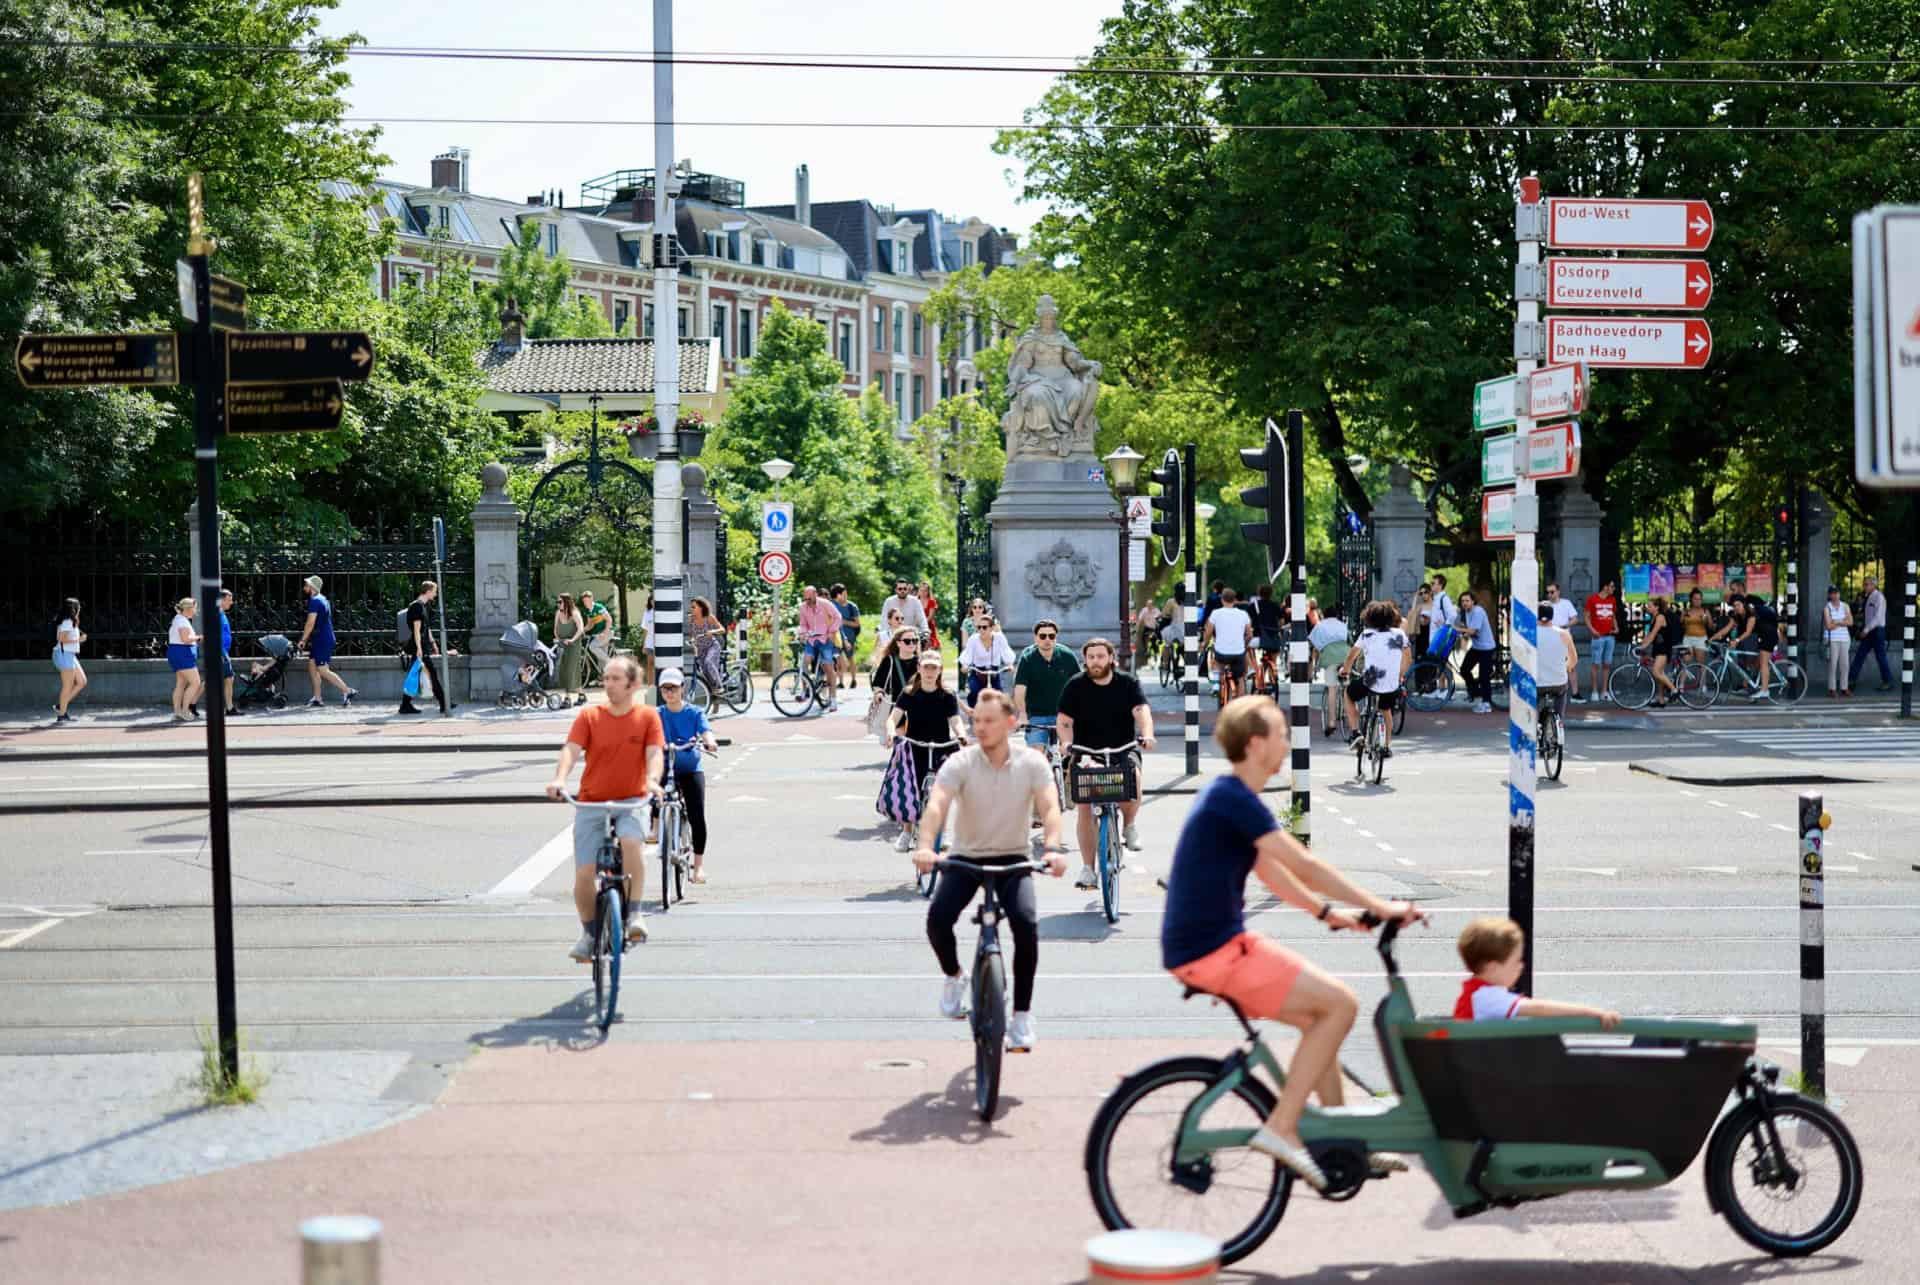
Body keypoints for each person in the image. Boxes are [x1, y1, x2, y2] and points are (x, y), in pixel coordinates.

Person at [1162, 695, 1426, 1189]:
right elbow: (1304, 864)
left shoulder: (1231, 797)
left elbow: (1274, 875)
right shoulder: (1234, 799)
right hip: (1215, 949)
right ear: (1257, 743)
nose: (1288, 740)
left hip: (1204, 946)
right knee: (1340, 1005)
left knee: (1316, 1017)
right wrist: (1383, 906)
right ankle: (1282, 1126)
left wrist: (1329, 914)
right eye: (1282, 732)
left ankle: (1340, 1139)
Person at [913, 689, 1068, 1049]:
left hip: (1014, 858)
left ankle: (1022, 1017)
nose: (980, 727)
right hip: (967, 857)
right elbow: (937, 804)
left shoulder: (1032, 763)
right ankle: (955, 976)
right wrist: (925, 846)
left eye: (989, 721)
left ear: (1010, 723)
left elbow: (1049, 808)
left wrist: (1053, 848)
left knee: (1027, 925)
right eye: (976, 721)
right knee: (937, 918)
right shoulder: (961, 762)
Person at [545, 654, 665, 958]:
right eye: (606, 678)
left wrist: (652, 781)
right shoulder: (589, 716)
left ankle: (634, 914)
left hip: (632, 799)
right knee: (585, 873)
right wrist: (559, 779)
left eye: (615, 679)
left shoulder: (647, 717)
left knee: (631, 843)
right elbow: (571, 750)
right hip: (591, 801)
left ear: (632, 684)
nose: (607, 684)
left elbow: (655, 754)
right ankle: (588, 933)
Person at [1056, 637, 1156, 887]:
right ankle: (1088, 869)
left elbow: (1141, 711)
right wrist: (1066, 743)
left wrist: (1147, 734)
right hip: (1087, 750)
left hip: (1122, 747)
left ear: (1111, 658)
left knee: (1132, 778)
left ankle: (1129, 826)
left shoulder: (1127, 683)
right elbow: (1065, 720)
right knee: (1085, 808)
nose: (1095, 662)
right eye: (1091, 657)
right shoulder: (1075, 686)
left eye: (1100, 656)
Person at [1455, 917, 1619, 1027]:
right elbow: (1540, 1008)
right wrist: (1594, 1013)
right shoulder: (1488, 997)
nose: (1521, 966)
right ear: (1493, 967)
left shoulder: (1475, 994)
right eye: (1516, 961)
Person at [887, 651, 968, 852]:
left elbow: (955, 719)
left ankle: (943, 831)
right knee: (911, 790)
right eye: (926, 667)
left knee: (943, 791)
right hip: (915, 745)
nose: (930, 671)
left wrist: (961, 734)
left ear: (940, 670)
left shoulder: (947, 694)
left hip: (941, 746)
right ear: (919, 668)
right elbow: (893, 718)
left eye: (934, 667)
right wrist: (891, 733)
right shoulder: (909, 693)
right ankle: (906, 832)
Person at [656, 667, 719, 884]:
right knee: (649, 786)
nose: (669, 692)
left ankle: (698, 867)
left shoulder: (694, 712)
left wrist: (709, 741)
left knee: (697, 816)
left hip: (690, 768)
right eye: (665, 688)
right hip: (665, 766)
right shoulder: (657, 714)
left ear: (682, 688)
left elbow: (705, 730)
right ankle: (656, 827)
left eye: (673, 687)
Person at [1337, 600, 1412, 755]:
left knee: (1349, 695)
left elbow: (1352, 655)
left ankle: (1356, 732)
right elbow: (1408, 659)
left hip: (1371, 680)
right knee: (1386, 711)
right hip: (1392, 683)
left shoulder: (1367, 634)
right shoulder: (1399, 634)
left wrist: (1345, 670)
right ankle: (1386, 746)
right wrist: (1400, 676)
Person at [1013, 618, 1080, 750]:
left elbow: (1080, 685)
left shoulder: (1067, 656)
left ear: (1056, 638)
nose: (1047, 639)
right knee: (1037, 753)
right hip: (1037, 716)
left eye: (1051, 636)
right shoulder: (1027, 658)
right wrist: (1022, 714)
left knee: (1069, 753)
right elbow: (1020, 689)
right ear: (1036, 638)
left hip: (1064, 715)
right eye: (1043, 636)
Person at [296, 575, 356, 708]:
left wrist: (303, 640)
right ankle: (317, 698)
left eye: (306, 585)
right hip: (321, 639)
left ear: (312, 587)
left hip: (323, 640)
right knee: (312, 665)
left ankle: (347, 691)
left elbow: (310, 623)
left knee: (322, 669)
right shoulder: (322, 599)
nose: (304, 587)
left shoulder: (315, 601)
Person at [399, 580, 448, 716]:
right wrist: (419, 648)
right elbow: (416, 630)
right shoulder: (416, 607)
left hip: (422, 646)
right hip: (418, 647)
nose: (435, 594)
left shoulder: (425, 606)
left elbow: (426, 628)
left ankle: (405, 705)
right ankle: (444, 703)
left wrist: (433, 643)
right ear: (427, 591)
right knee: (431, 674)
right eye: (434, 591)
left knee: (414, 675)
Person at [796, 584, 845, 712]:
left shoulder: (825, 604)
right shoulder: (802, 607)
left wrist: (832, 631)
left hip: (825, 639)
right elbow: (803, 624)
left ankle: (833, 699)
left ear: (815, 594)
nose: (807, 601)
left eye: (809, 598)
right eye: (805, 599)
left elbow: (838, 617)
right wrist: (802, 633)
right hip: (811, 639)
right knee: (804, 662)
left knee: (828, 667)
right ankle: (805, 690)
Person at [1202, 587, 1254, 705]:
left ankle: (1216, 685)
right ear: (1234, 600)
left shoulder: (1215, 613)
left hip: (1222, 653)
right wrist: (1243, 645)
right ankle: (1241, 705)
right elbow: (1250, 635)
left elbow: (1209, 632)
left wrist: (1204, 644)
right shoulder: (1243, 614)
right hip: (1238, 653)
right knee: (1240, 678)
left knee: (1217, 664)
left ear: (1222, 600)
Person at [959, 614, 1017, 707]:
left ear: (992, 628)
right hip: (978, 670)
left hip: (994, 670)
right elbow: (968, 653)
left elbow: (1006, 651)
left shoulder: (999, 638)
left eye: (984, 627)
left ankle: (999, 715)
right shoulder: (973, 639)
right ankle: (974, 713)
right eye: (979, 627)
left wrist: (1010, 664)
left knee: (999, 693)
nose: (981, 630)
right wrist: (965, 665)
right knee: (974, 690)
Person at [1307, 609, 1349, 736]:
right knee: (1347, 687)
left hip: (1330, 656)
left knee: (1332, 689)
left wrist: (1314, 665)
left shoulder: (1320, 626)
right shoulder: (1342, 625)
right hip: (1346, 654)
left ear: (1324, 616)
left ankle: (1331, 723)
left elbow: (1312, 643)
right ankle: (1349, 715)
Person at [1536, 598, 1574, 732]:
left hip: (1538, 683)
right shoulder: (1564, 634)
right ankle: (1559, 722)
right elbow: (1573, 659)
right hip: (1558, 682)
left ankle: (1534, 724)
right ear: (1553, 615)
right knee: (1562, 692)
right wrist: (1565, 667)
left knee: (1532, 700)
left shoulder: (1531, 634)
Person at [1849, 576, 1894, 691]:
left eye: (1867, 584)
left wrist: (1866, 630)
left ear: (1874, 585)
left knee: (1880, 657)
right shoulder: (1867, 597)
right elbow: (1867, 614)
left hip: (1877, 631)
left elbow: (1878, 617)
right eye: (1864, 584)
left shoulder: (1879, 597)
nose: (1865, 586)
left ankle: (1888, 681)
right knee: (1860, 655)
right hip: (1869, 631)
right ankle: (1850, 680)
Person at [1456, 590, 1497, 713]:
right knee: (1464, 669)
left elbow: (1473, 631)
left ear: (1473, 601)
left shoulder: (1478, 611)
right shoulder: (1465, 612)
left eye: (1467, 601)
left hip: (1486, 648)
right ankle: (1474, 692)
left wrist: (1457, 629)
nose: (1465, 603)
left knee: (1484, 677)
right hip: (1476, 647)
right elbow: (1456, 622)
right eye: (1462, 601)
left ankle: (1487, 703)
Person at [166, 596, 203, 721]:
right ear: (188, 608)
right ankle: (184, 711)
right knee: (196, 683)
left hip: (178, 653)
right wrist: (199, 637)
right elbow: (186, 639)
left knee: (181, 684)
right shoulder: (182, 621)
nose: (195, 611)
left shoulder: (178, 619)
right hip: (183, 654)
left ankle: (177, 711)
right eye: (194, 608)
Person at [1584, 579, 1622, 701]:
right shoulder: (1592, 599)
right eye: (1612, 586)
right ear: (1605, 587)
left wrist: (1616, 627)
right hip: (1598, 636)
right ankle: (1594, 691)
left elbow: (1613, 615)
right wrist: (1592, 630)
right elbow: (1586, 617)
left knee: (1607, 664)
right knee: (1596, 664)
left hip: (1610, 635)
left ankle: (1604, 691)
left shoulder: (1612, 600)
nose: (1613, 588)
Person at [1543, 583, 1582, 702]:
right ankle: (1549, 693)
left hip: (1564, 639)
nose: (1550, 595)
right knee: (1549, 666)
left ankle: (1575, 693)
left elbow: (1575, 619)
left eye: (1552, 592)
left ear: (1558, 592)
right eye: (1548, 592)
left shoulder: (1566, 603)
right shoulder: (1545, 605)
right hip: (1549, 639)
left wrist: (1564, 625)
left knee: (1571, 666)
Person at [52, 597, 87, 722]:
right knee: (68, 685)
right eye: (78, 606)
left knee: (82, 681)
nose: (80, 609)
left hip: (69, 654)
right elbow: (60, 638)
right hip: (64, 654)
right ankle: (62, 715)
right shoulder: (67, 622)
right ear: (74, 609)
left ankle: (61, 706)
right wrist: (79, 640)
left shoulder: (69, 621)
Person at [1641, 596, 1681, 707]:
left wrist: (1644, 646)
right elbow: (1649, 634)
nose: (1647, 607)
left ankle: (1674, 690)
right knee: (1660, 674)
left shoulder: (1660, 617)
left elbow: (1653, 634)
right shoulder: (1654, 617)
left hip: (1664, 648)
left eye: (1650, 606)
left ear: (1656, 607)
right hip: (1658, 647)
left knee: (1656, 672)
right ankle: (1661, 700)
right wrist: (1641, 644)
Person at [871, 623, 922, 702]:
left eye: (915, 640)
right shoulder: (889, 661)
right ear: (898, 643)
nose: (911, 643)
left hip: (916, 707)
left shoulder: (922, 662)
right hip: (894, 706)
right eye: (907, 641)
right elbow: (878, 683)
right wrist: (879, 693)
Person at [552, 593, 586, 705]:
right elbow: (555, 629)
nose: (558, 604)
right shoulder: (558, 613)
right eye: (557, 602)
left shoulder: (575, 613)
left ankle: (567, 699)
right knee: (564, 670)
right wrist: (558, 639)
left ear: (566, 602)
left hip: (573, 645)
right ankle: (581, 695)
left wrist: (572, 640)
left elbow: (580, 629)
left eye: (560, 602)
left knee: (570, 670)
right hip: (562, 644)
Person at [687, 597, 726, 691]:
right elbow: (692, 634)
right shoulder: (691, 619)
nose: (691, 609)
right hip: (700, 649)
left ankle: (720, 686)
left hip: (712, 646)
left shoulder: (708, 617)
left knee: (709, 662)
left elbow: (722, 630)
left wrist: (712, 632)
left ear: (701, 608)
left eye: (693, 607)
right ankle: (714, 693)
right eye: (691, 607)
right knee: (705, 672)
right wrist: (692, 640)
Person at [1252, 585, 1284, 694]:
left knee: (1247, 648)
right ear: (1271, 594)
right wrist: (1278, 629)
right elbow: (1281, 622)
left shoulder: (1254, 605)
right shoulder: (1275, 605)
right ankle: (1273, 674)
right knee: (1273, 655)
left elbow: (1247, 621)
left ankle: (1254, 670)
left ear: (1259, 593)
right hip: (1273, 637)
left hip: (1259, 637)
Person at [1823, 586, 1854, 698]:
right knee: (1833, 664)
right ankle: (1832, 688)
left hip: (1844, 638)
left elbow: (1850, 622)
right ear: (1829, 595)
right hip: (1832, 639)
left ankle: (1844, 687)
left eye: (1837, 593)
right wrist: (1842, 621)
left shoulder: (1845, 606)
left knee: (1845, 664)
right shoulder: (1827, 608)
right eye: (1833, 593)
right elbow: (1828, 625)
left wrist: (1837, 621)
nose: (1835, 596)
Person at [831, 584, 862, 692]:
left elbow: (857, 624)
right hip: (836, 637)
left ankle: (853, 680)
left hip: (850, 637)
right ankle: (841, 682)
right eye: (844, 594)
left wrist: (844, 622)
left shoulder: (851, 607)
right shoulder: (832, 605)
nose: (846, 596)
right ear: (838, 595)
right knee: (838, 659)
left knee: (850, 658)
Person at [580, 590, 613, 686]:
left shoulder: (599, 608)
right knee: (600, 658)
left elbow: (609, 620)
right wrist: (581, 631)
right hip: (598, 635)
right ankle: (602, 679)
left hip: (607, 633)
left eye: (587, 601)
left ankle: (611, 662)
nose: (585, 603)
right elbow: (590, 625)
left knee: (592, 647)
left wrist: (605, 633)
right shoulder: (588, 611)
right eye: (584, 601)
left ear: (591, 599)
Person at [217, 587, 240, 717]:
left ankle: (191, 704)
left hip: (222, 651)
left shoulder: (221, 614)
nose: (231, 602)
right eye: (229, 600)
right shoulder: (217, 614)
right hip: (221, 652)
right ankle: (230, 708)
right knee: (229, 678)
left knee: (218, 679)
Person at [1681, 588, 1712, 664]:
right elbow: (1681, 626)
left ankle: (1701, 677)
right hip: (1687, 639)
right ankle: (1682, 676)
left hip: (1701, 640)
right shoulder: (1685, 611)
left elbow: (1711, 627)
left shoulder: (1705, 611)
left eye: (1699, 599)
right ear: (1691, 599)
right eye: (1695, 599)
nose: (1697, 601)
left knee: (1700, 664)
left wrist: (1705, 621)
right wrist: (1682, 619)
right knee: (1686, 663)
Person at [917, 580, 942, 652]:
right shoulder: (915, 600)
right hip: (917, 625)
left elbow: (930, 617)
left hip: (928, 625)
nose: (923, 593)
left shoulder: (931, 601)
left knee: (930, 643)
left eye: (925, 591)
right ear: (919, 591)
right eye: (921, 590)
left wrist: (922, 624)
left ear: (928, 591)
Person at [640, 593, 657, 685]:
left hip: (660, 644)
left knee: (658, 665)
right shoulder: (647, 613)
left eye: (655, 600)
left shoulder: (662, 612)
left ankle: (658, 685)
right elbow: (645, 630)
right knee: (650, 664)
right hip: (649, 643)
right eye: (652, 600)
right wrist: (644, 645)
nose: (653, 602)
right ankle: (650, 686)